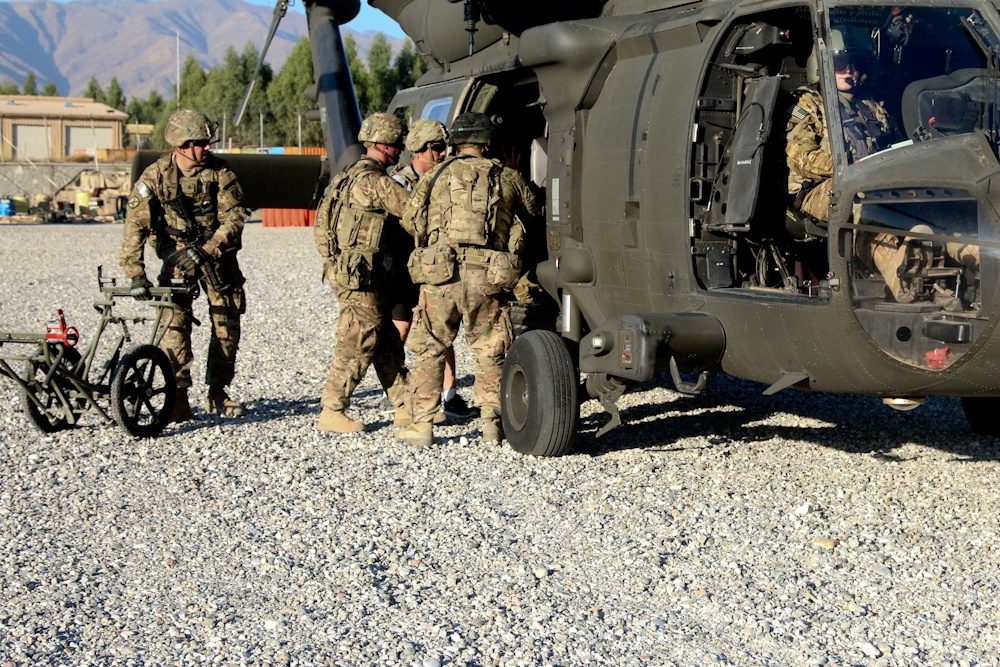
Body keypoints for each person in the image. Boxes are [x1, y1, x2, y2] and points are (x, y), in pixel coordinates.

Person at [396, 112, 543, 447]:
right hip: (487, 276)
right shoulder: (506, 176)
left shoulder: (434, 177)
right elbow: (535, 214)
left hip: (440, 276)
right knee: (490, 350)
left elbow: (410, 220)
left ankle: (421, 427)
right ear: (486, 143)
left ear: (456, 143)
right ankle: (493, 424)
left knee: (430, 348)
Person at [314, 112, 440, 433]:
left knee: (385, 338)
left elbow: (321, 226)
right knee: (360, 337)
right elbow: (414, 212)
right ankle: (333, 407)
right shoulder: (376, 183)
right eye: (398, 144)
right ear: (384, 145)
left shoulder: (345, 177)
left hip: (348, 270)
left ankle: (405, 404)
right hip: (361, 275)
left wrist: (335, 260)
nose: (401, 151)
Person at [120, 109, 246, 422]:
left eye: (207, 142)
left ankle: (218, 391)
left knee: (227, 325)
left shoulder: (221, 172)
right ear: (182, 145)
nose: (207, 147)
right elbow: (134, 225)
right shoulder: (155, 175)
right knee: (173, 328)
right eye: (201, 142)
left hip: (217, 260)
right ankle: (177, 397)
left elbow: (235, 217)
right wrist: (136, 274)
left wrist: (208, 249)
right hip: (177, 260)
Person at [388, 118, 478, 420]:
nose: (442, 154)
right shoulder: (398, 183)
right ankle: (401, 394)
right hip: (405, 272)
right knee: (399, 334)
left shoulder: (448, 178)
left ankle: (449, 395)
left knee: (443, 334)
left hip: (438, 272)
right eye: (437, 149)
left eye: (445, 148)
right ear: (420, 151)